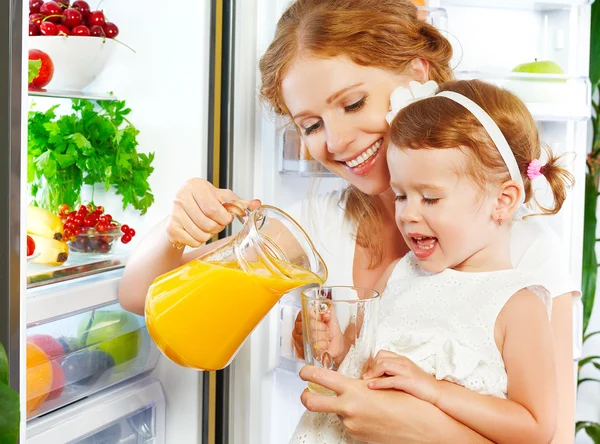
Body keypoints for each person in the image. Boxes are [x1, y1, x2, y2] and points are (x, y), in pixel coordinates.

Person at [118, 1, 579, 442]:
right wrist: (176, 225)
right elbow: (141, 297)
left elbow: (549, 436)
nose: (336, 141)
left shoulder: (524, 249)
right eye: (311, 125)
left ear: (418, 76)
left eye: (354, 103)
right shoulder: (319, 226)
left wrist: (423, 430)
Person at [290, 78, 573, 444]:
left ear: (502, 201)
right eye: (401, 196)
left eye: (430, 198)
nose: (408, 214)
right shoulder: (397, 274)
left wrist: (434, 391)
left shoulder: (518, 305)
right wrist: (335, 348)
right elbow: (359, 362)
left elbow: (534, 428)